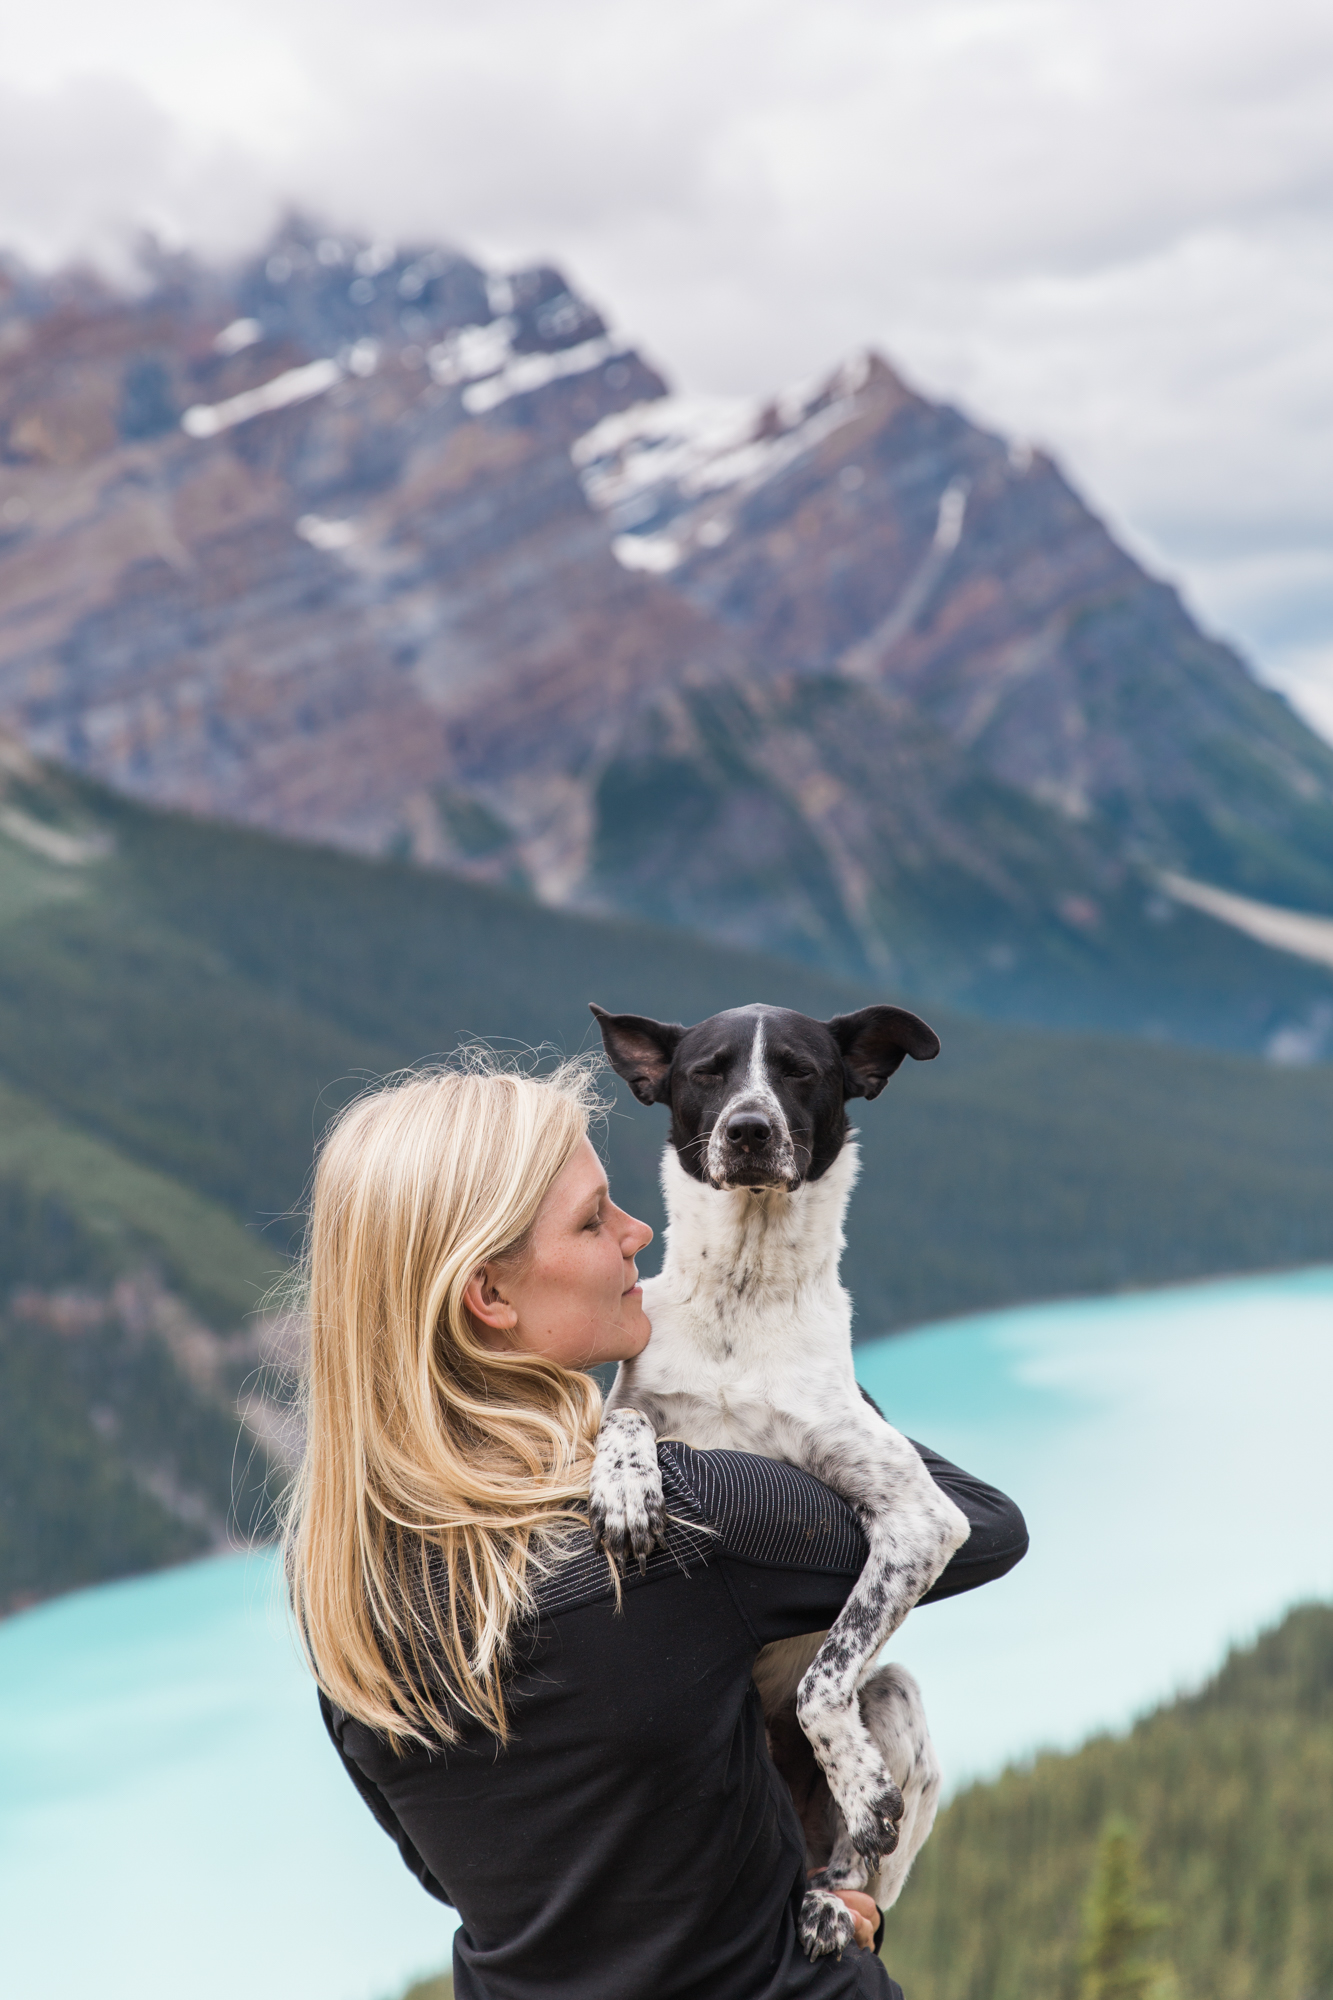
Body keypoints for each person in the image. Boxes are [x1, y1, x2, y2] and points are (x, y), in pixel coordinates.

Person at [284, 1056, 1027, 2000]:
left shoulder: (344, 1594)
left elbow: (449, 1873)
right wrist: (792, 1381)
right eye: (594, 1220)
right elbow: (983, 1527)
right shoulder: (685, 1520)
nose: (639, 1233)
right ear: (491, 1298)